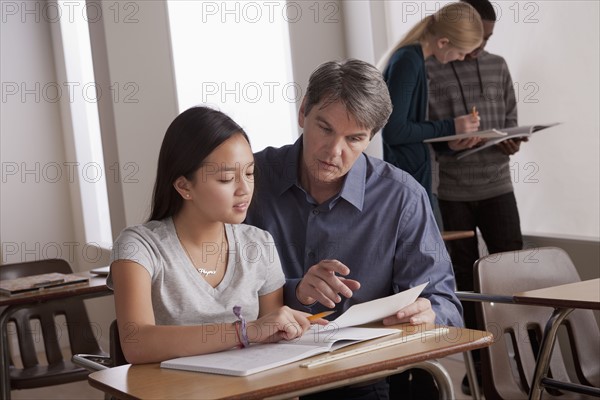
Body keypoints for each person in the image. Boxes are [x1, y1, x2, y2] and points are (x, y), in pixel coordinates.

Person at [245, 59, 462, 400]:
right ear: (303, 112)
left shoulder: (402, 198)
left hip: (360, 378)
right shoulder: (250, 178)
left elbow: (446, 304)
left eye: (355, 138)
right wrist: (293, 292)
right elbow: (212, 290)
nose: (334, 151)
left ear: (371, 137)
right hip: (253, 370)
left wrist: (431, 313)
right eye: (325, 128)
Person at [108, 107, 325, 364]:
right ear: (184, 186)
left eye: (249, 173)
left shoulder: (259, 244)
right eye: (226, 179)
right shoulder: (138, 246)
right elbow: (136, 343)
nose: (244, 189)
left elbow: (274, 345)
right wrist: (244, 331)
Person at [426, 0, 524, 394]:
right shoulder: (431, 65)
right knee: (465, 281)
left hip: (498, 185)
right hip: (453, 191)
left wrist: (512, 139)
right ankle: (480, 370)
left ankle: (531, 360)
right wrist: (451, 142)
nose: (482, 45)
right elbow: (423, 133)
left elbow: (512, 117)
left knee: (518, 273)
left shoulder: (498, 65)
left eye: (489, 37)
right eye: (477, 36)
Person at [378, 2, 484, 224]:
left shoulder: (414, 58)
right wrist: (452, 126)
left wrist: (449, 143)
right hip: (408, 185)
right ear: (444, 42)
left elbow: (410, 130)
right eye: (461, 52)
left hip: (414, 181)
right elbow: (394, 131)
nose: (462, 58)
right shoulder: (408, 61)